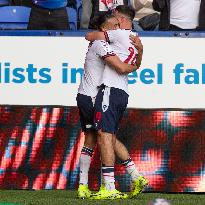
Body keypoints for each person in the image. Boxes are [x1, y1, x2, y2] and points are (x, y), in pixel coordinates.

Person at [85, 5, 148, 200]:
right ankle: (135, 176)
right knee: (109, 136)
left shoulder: (119, 34)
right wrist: (140, 52)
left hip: (110, 90)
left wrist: (99, 34)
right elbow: (136, 66)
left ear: (120, 20)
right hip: (122, 92)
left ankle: (109, 187)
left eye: (114, 18)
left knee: (103, 135)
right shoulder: (135, 39)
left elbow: (90, 36)